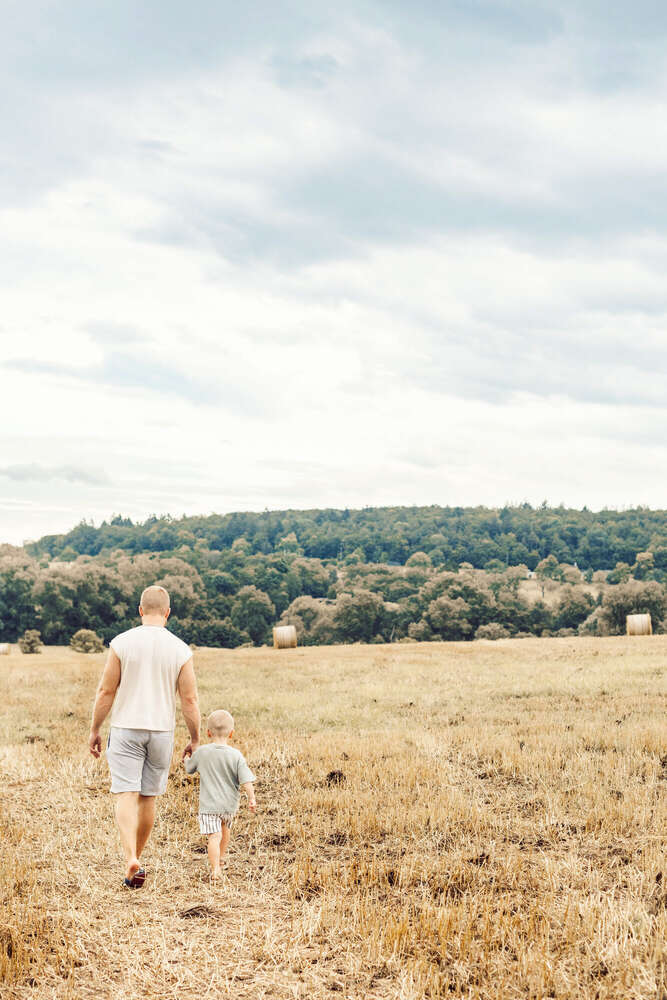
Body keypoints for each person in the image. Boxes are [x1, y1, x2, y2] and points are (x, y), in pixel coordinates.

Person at [88, 585, 200, 888]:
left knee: (126, 793)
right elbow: (189, 700)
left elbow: (106, 691)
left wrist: (95, 729)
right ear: (167, 613)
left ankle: (129, 859)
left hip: (126, 727)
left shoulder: (122, 643)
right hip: (161, 731)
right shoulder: (180, 649)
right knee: (148, 797)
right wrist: (195, 739)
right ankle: (138, 855)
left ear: (140, 610)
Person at [184, 709, 256, 880]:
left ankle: (215, 869)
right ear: (231, 733)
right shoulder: (236, 755)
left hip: (209, 806)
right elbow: (246, 780)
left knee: (214, 837)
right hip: (229, 805)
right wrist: (251, 798)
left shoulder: (202, 752)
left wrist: (187, 759)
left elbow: (189, 769)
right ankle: (221, 859)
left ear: (208, 733)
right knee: (225, 831)